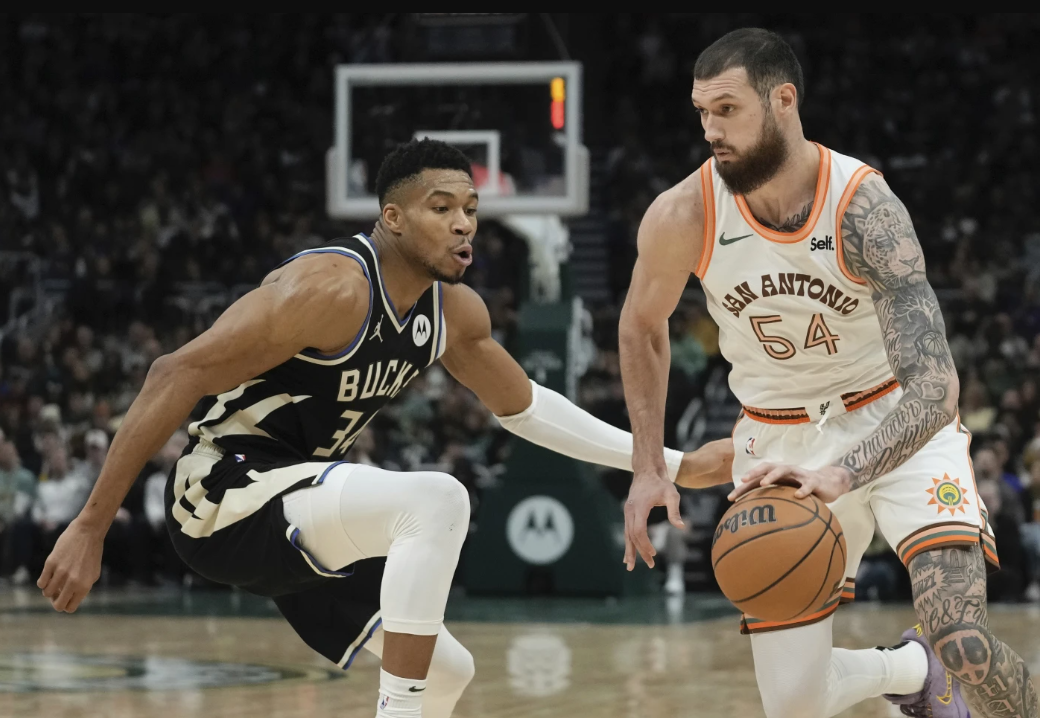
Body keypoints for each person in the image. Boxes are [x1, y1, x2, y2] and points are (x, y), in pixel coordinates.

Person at [38, 138, 732, 718]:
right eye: (442, 208)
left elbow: (526, 407)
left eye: (470, 208)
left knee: (444, 670)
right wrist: (93, 524)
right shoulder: (330, 290)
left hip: (301, 510)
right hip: (221, 494)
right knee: (437, 499)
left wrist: (667, 464)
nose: (464, 223)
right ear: (393, 218)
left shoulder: (453, 314)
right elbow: (173, 374)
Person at [620, 28, 1037, 718]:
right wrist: (645, 467)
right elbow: (640, 324)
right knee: (794, 705)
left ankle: (940, 660)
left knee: (964, 640)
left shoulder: (864, 210)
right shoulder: (684, 212)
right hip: (778, 441)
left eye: (727, 110)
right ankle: (909, 670)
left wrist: (844, 470)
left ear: (783, 99)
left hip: (896, 421)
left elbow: (937, 387)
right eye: (702, 113)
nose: (710, 130)